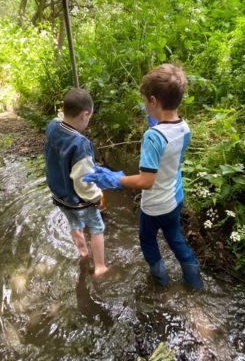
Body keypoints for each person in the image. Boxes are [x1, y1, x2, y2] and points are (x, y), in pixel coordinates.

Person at [84, 64, 203, 290]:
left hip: (155, 206)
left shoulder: (153, 137)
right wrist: (156, 123)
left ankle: (161, 284)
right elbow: (172, 159)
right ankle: (194, 281)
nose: (145, 105)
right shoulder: (184, 127)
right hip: (175, 198)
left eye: (146, 101)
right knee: (175, 237)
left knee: (148, 241)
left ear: (154, 101)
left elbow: (146, 181)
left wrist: (114, 179)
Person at [44, 88, 108, 277]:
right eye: (89, 117)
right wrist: (97, 197)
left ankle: (82, 253)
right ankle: (100, 267)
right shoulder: (80, 144)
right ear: (85, 115)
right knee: (97, 228)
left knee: (75, 224)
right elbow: (83, 182)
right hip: (77, 197)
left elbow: (58, 117)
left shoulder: (52, 126)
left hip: (60, 195)